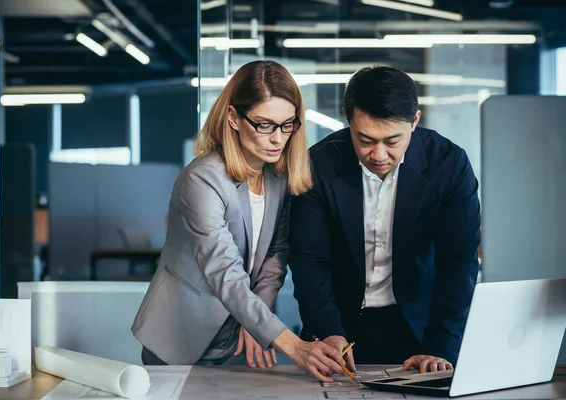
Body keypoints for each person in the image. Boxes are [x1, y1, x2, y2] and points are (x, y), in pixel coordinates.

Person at [132, 60, 346, 382]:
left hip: (240, 334)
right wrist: (292, 344)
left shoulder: (279, 177)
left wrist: (257, 320)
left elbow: (276, 252)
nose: (277, 138)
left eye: (287, 125)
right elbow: (225, 271)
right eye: (265, 124)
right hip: (180, 333)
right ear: (234, 118)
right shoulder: (202, 179)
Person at [288, 66, 481, 374]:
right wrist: (327, 331)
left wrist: (439, 345)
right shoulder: (318, 165)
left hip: (422, 329)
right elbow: (309, 260)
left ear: (415, 121)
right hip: (338, 327)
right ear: (347, 118)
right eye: (364, 139)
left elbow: (459, 262)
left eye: (392, 141)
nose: (378, 154)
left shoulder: (449, 165)